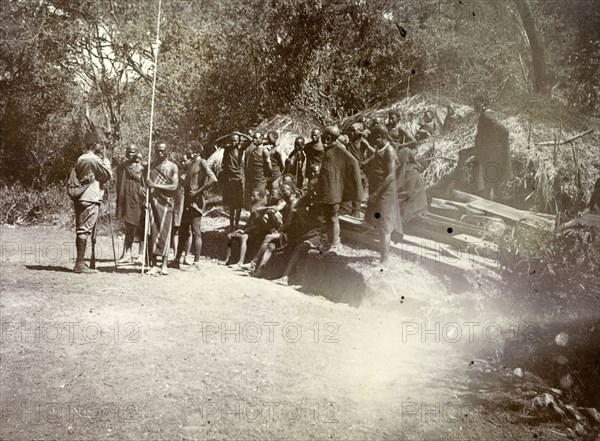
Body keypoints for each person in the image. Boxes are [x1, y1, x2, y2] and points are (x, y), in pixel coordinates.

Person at [71, 129, 113, 273]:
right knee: (84, 229)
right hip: (91, 197)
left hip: (81, 197)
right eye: (100, 145)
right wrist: (106, 160)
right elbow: (107, 174)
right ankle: (80, 263)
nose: (101, 147)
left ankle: (80, 262)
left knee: (81, 228)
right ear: (94, 145)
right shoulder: (93, 160)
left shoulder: (80, 158)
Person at [316, 126, 363, 252]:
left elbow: (353, 162)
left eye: (323, 135)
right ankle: (330, 241)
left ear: (328, 137)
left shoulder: (339, 149)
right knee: (328, 217)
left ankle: (335, 242)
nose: (321, 137)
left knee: (333, 217)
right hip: (327, 190)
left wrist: (344, 184)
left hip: (333, 191)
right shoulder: (329, 149)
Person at [458, 94, 511, 200]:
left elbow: (504, 131)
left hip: (487, 154)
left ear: (482, 103)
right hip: (482, 151)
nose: (474, 106)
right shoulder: (484, 115)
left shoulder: (487, 116)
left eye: (476, 103)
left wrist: (495, 146)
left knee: (487, 184)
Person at [172, 143, 217, 270]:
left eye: (189, 150)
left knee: (196, 231)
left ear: (196, 152)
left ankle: (196, 262)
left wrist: (198, 192)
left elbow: (213, 179)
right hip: (187, 201)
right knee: (182, 231)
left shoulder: (202, 162)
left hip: (196, 201)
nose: (187, 151)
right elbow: (187, 184)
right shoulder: (191, 164)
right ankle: (176, 260)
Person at [272, 178, 324, 286]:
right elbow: (296, 208)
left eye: (309, 186)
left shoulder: (321, 201)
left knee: (300, 248)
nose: (307, 188)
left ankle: (289, 278)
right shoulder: (309, 198)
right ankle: (287, 276)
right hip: (307, 231)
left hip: (318, 232)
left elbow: (319, 221)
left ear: (315, 189)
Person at [240, 182, 298, 275]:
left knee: (268, 237)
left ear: (291, 191)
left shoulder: (293, 202)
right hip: (285, 231)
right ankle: (259, 272)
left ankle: (253, 263)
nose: (282, 193)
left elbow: (289, 223)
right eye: (281, 191)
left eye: (284, 191)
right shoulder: (285, 202)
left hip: (291, 233)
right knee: (270, 247)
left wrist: (277, 231)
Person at [366, 124, 403, 265]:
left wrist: (376, 193)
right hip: (379, 190)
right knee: (379, 225)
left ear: (380, 137)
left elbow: (391, 175)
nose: (372, 140)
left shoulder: (389, 151)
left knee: (384, 227)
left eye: (373, 137)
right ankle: (383, 257)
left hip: (385, 193)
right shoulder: (379, 149)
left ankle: (384, 261)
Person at [144, 142, 179, 275]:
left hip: (166, 203)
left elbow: (174, 186)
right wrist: (145, 194)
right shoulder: (150, 166)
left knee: (165, 232)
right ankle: (154, 265)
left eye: (162, 151)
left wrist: (155, 185)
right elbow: (144, 183)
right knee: (153, 231)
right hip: (153, 202)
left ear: (167, 151)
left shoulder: (172, 167)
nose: (160, 153)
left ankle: (164, 265)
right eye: (157, 151)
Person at [115, 144, 144, 264]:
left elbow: (140, 178)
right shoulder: (123, 167)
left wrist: (130, 170)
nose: (130, 154)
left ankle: (141, 255)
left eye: (133, 152)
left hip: (138, 200)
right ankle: (127, 253)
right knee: (128, 227)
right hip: (126, 199)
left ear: (137, 153)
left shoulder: (142, 166)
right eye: (129, 152)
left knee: (141, 227)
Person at [225, 189, 268, 268]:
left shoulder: (261, 208)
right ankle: (228, 259)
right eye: (251, 196)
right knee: (229, 235)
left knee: (244, 237)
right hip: (250, 230)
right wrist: (243, 229)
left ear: (261, 197)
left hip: (257, 233)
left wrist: (246, 230)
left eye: (254, 196)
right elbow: (250, 221)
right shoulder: (254, 206)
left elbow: (259, 225)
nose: (251, 198)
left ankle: (240, 262)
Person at [347, 122, 375, 216]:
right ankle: (351, 213)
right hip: (350, 170)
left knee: (358, 192)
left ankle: (356, 213)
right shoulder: (350, 141)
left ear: (359, 131)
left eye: (353, 130)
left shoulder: (362, 141)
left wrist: (365, 162)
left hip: (359, 170)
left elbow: (375, 153)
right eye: (350, 130)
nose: (351, 132)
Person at [219, 133, 246, 230]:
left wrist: (239, 134)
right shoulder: (227, 149)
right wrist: (228, 135)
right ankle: (231, 225)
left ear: (239, 141)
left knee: (238, 204)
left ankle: (236, 224)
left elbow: (250, 140)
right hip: (229, 178)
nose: (233, 142)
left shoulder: (240, 149)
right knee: (231, 204)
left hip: (238, 178)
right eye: (232, 140)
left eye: (235, 140)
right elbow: (217, 142)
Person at [396, 147, 428, 224]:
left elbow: (407, 192)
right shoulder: (404, 169)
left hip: (415, 205)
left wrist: (393, 199)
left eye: (400, 156)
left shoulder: (411, 171)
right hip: (408, 200)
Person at [244, 131, 271, 209]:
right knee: (254, 197)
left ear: (261, 139)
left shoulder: (264, 150)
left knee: (259, 197)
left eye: (256, 138)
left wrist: (267, 176)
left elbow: (269, 166)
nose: (254, 140)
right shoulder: (253, 151)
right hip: (254, 178)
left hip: (261, 178)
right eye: (253, 138)